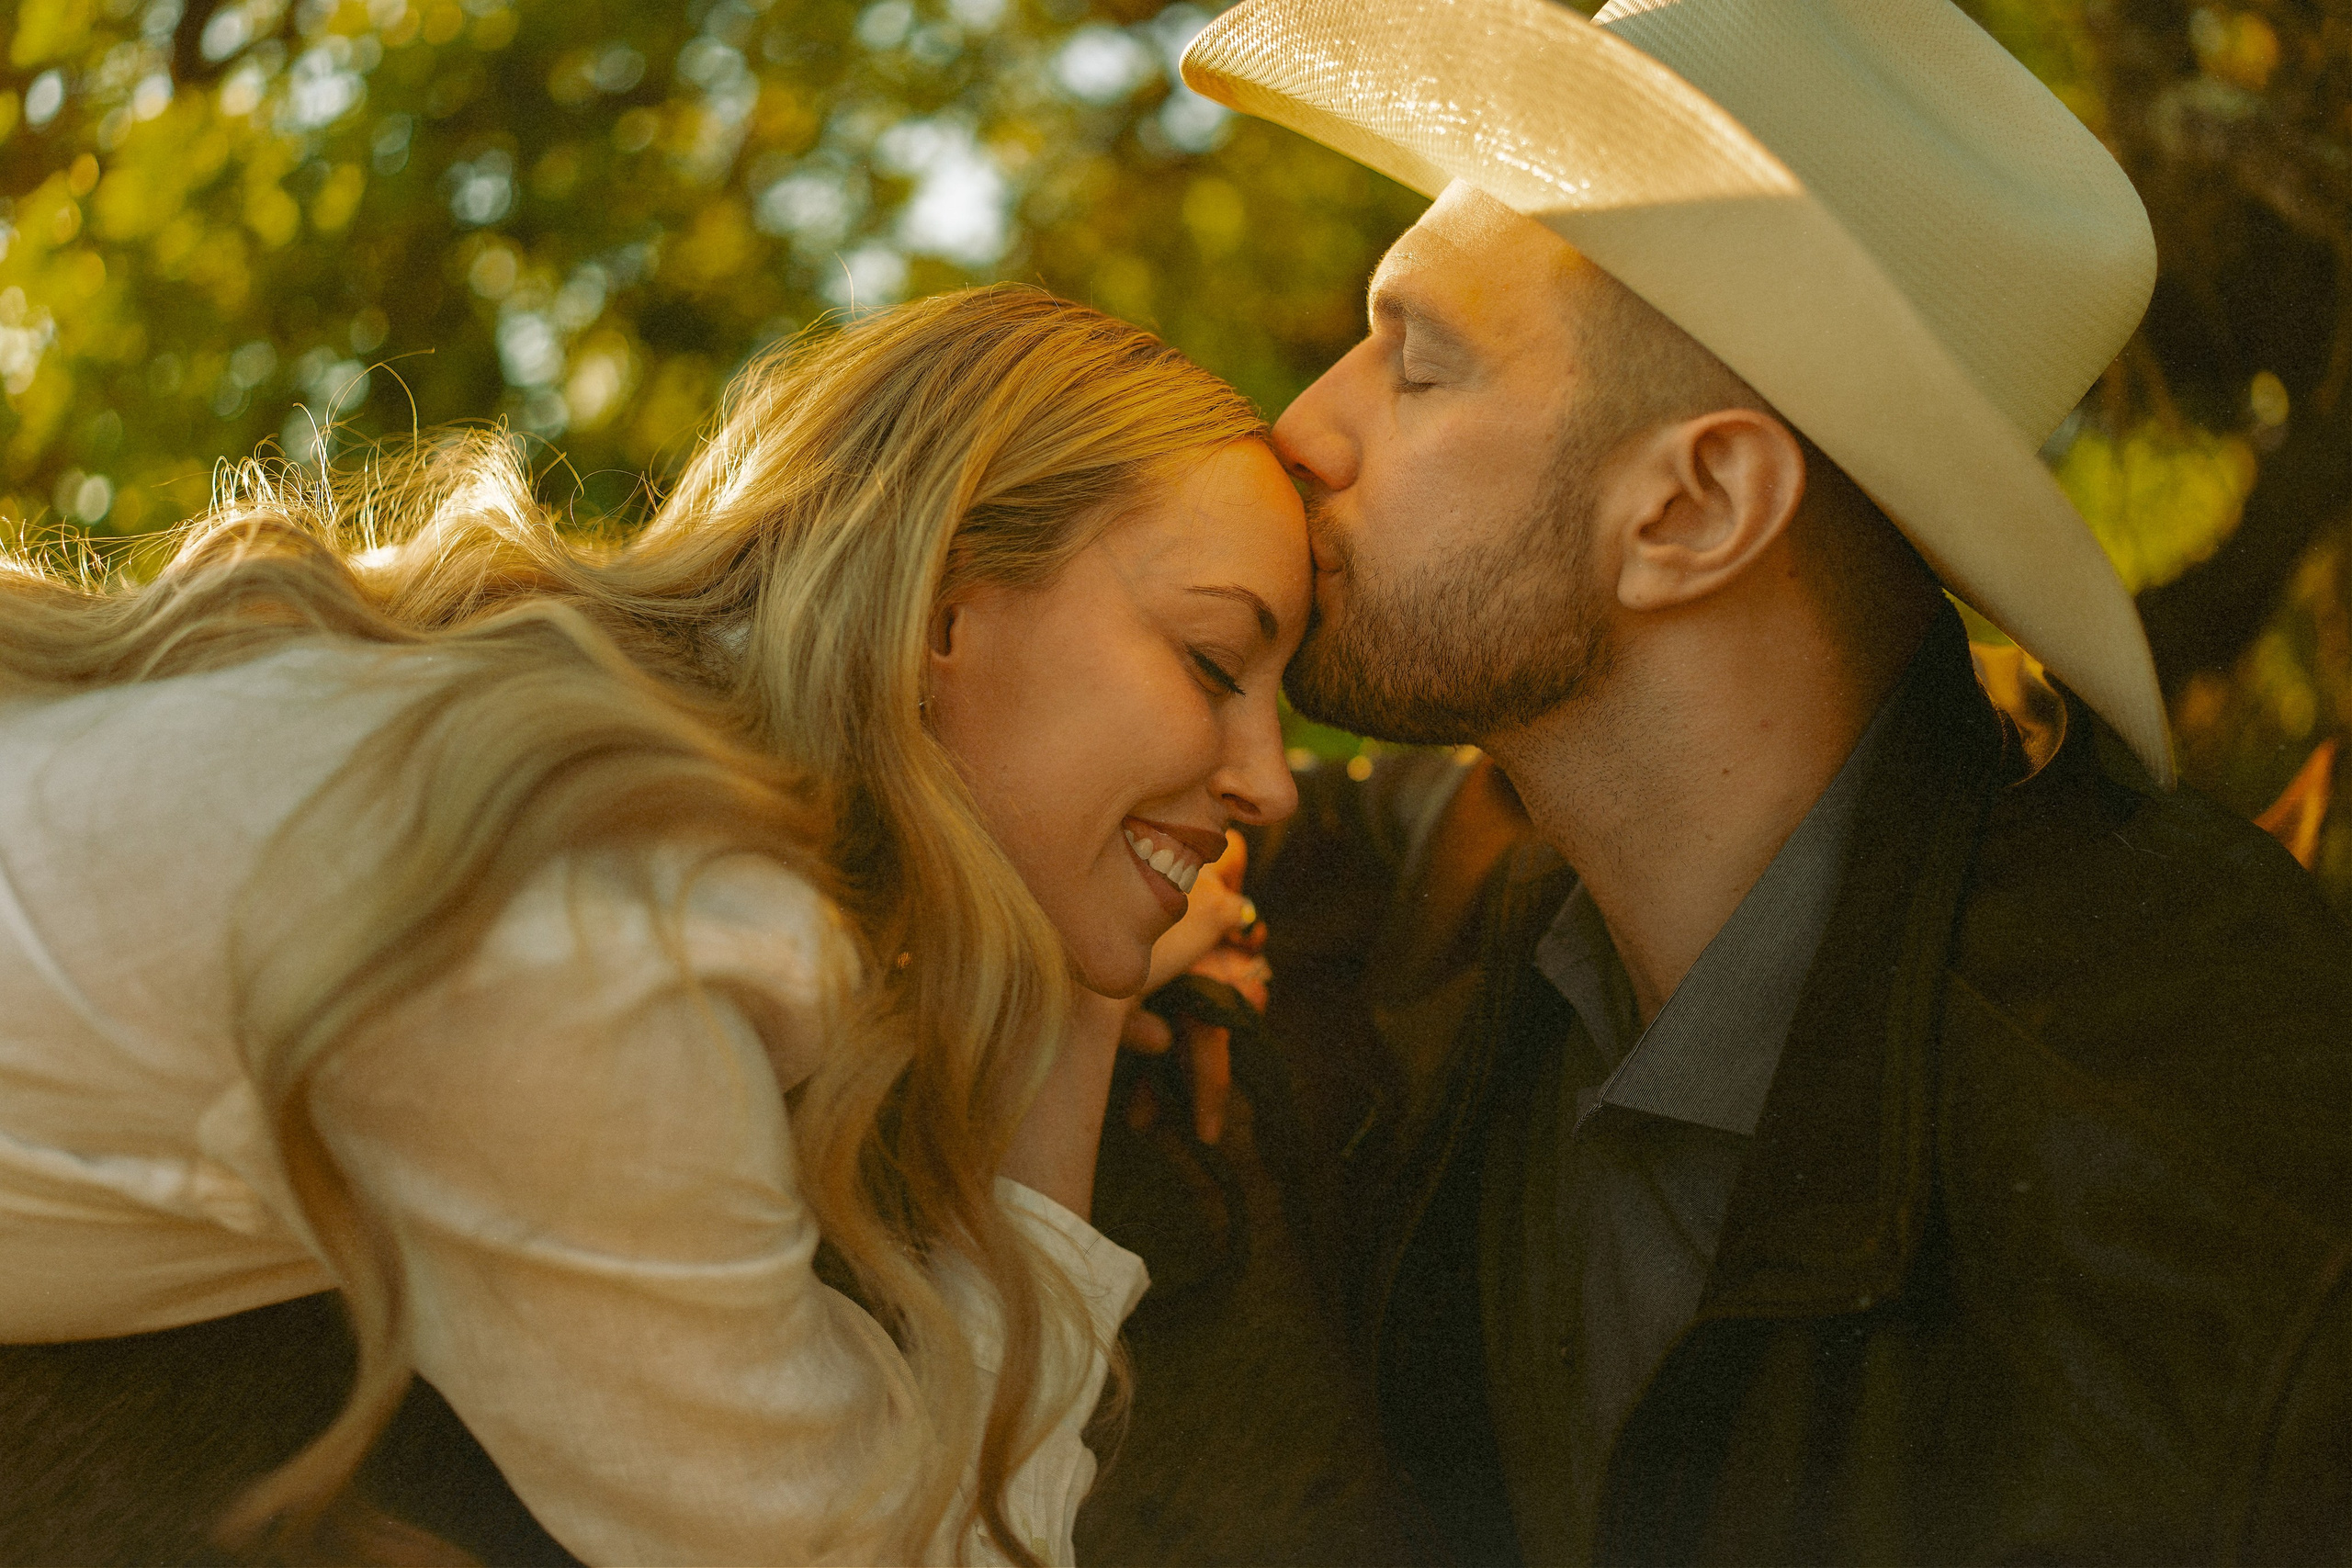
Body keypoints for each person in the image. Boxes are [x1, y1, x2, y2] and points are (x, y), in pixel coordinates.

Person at [1177, 1, 2352, 1563]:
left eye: (1418, 366)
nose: (1301, 428)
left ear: (1698, 507)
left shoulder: (2211, 1178)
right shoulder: (1486, 956)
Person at [0, 285, 1308, 1565]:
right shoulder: (585, 924)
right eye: (1210, 664)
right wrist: (1068, 1016)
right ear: (942, 605)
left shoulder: (558, 751)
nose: (1272, 780)